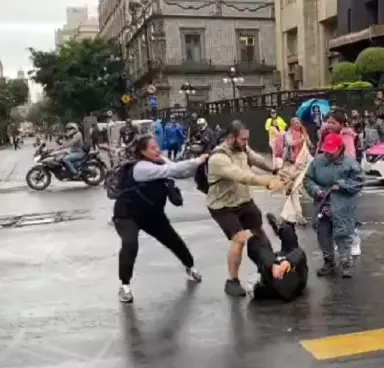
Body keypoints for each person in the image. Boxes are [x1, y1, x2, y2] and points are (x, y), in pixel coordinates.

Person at [113, 135, 208, 303]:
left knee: (173, 240)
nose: (157, 150)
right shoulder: (141, 168)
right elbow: (174, 170)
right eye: (152, 148)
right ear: (143, 152)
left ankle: (190, 267)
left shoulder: (160, 161)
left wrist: (203, 162)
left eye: (157, 147)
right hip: (127, 214)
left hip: (151, 214)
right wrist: (198, 160)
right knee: (130, 244)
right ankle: (125, 286)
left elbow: (182, 172)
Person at [206, 120, 283, 297]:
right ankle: (232, 281)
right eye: (242, 139)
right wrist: (266, 181)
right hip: (222, 205)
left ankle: (269, 266)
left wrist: (273, 169)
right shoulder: (218, 158)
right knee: (240, 239)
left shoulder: (242, 148)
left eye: (247, 139)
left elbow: (255, 159)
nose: (245, 143)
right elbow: (241, 176)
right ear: (231, 138)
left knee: (259, 232)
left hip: (243, 200)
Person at [304, 133, 364, 277]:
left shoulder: (350, 164)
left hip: (342, 205)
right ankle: (328, 262)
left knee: (343, 234)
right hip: (322, 204)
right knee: (323, 233)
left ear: (340, 149)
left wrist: (342, 185)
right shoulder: (317, 162)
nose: (329, 154)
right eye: (327, 151)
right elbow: (308, 180)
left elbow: (359, 182)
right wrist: (315, 189)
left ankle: (346, 264)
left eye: (332, 151)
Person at [246, 213, 309, 302]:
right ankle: (281, 227)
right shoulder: (295, 283)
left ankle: (280, 228)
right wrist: (288, 262)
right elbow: (300, 252)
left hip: (272, 265)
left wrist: (272, 265)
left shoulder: (268, 284)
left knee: (259, 243)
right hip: (291, 266)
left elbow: (254, 245)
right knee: (288, 232)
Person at [325, 110, 361, 256]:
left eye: (333, 123)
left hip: (346, 181)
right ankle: (340, 241)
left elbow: (350, 159)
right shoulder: (329, 136)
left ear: (341, 124)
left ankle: (354, 241)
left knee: (349, 213)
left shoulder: (346, 137)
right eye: (328, 122)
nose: (330, 125)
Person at [276, 117, 313, 226]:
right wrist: (301, 140)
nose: (297, 124)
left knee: (294, 190)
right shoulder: (288, 134)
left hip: (303, 163)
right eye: (294, 123)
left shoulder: (304, 133)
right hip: (292, 164)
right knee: (294, 191)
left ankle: (288, 216)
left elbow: (309, 144)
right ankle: (296, 215)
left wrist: (307, 141)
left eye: (298, 122)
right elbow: (290, 143)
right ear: (291, 125)